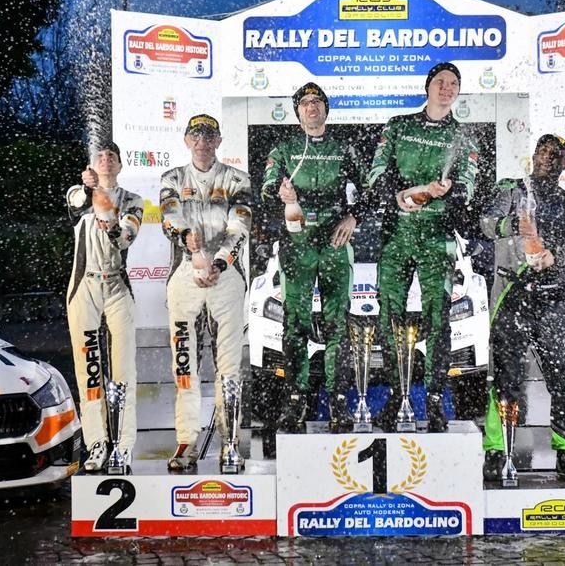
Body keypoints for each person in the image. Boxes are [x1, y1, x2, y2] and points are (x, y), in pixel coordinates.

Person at [365, 62, 478, 433]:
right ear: (428, 87)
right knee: (389, 315)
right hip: (396, 233)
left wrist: (449, 192)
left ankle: (433, 399)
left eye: (454, 84)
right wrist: (399, 196)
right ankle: (396, 395)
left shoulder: (463, 136)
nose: (447, 88)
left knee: (437, 318)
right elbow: (376, 173)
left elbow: (468, 187)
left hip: (436, 236)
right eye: (440, 82)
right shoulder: (398, 126)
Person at [479, 134, 565, 482]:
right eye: (542, 152)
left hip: (552, 297)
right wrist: (516, 225)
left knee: (564, 377)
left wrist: (555, 256)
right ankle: (497, 450)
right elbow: (486, 224)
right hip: (511, 293)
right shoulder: (511, 189)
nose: (547, 159)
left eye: (555, 155)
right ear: (533, 156)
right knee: (505, 375)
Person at [261, 82, 365, 436]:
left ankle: (339, 400)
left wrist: (353, 218)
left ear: (326, 109)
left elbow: (371, 189)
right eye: (305, 102)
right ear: (297, 112)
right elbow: (266, 188)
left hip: (335, 242)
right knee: (295, 323)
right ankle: (295, 399)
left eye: (317, 101)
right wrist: (281, 192)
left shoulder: (345, 148)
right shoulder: (285, 149)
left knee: (339, 323)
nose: (311, 107)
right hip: (298, 244)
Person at [160, 114, 252, 472]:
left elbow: (240, 225)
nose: (202, 142)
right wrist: (187, 239)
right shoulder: (172, 178)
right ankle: (186, 441)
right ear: (186, 140)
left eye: (208, 136)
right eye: (195, 136)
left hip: (225, 276)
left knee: (228, 365)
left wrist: (218, 263)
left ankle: (230, 442)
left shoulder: (237, 179)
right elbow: (169, 216)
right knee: (185, 362)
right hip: (185, 274)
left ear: (218, 141)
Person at [65, 141, 143, 472]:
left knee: (124, 368)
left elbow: (124, 238)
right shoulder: (78, 193)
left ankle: (122, 445)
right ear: (91, 166)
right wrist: (90, 188)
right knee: (89, 369)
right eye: (100, 156)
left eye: (112, 156)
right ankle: (96, 443)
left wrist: (109, 216)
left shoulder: (133, 201)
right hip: (84, 285)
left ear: (121, 165)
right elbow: (79, 203)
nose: (106, 159)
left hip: (117, 285)